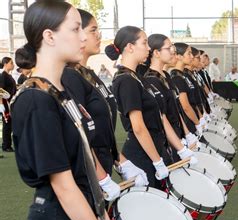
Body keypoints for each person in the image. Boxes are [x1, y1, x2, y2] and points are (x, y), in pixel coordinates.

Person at [11, 2, 131, 220]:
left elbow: (85, 170)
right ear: (49, 36)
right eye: (75, 29)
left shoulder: (60, 92)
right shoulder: (36, 99)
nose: (83, 37)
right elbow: (64, 185)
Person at [62, 9, 149, 191]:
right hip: (87, 172)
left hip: (102, 163)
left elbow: (104, 129)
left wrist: (120, 161)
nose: (98, 35)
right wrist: (101, 177)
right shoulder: (69, 77)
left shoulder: (89, 75)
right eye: (93, 30)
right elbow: (80, 136)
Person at [106, 26, 171, 189]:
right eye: (144, 43)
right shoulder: (126, 80)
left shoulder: (136, 77)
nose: (148, 48)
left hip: (152, 148)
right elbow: (139, 127)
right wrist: (157, 161)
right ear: (130, 47)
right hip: (142, 153)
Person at [143, 34, 198, 163]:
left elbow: (177, 110)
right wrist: (179, 146)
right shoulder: (151, 80)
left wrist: (186, 134)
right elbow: (162, 117)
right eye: (169, 48)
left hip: (177, 134)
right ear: (156, 53)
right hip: (168, 139)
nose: (173, 52)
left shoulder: (165, 75)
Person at [0, 57, 16, 153]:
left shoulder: (9, 76)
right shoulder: (3, 76)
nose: (13, 64)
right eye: (11, 63)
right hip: (6, 103)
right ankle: (6, 146)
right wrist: (1, 103)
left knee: (9, 124)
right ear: (5, 64)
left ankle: (7, 144)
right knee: (7, 123)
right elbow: (0, 90)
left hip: (11, 102)